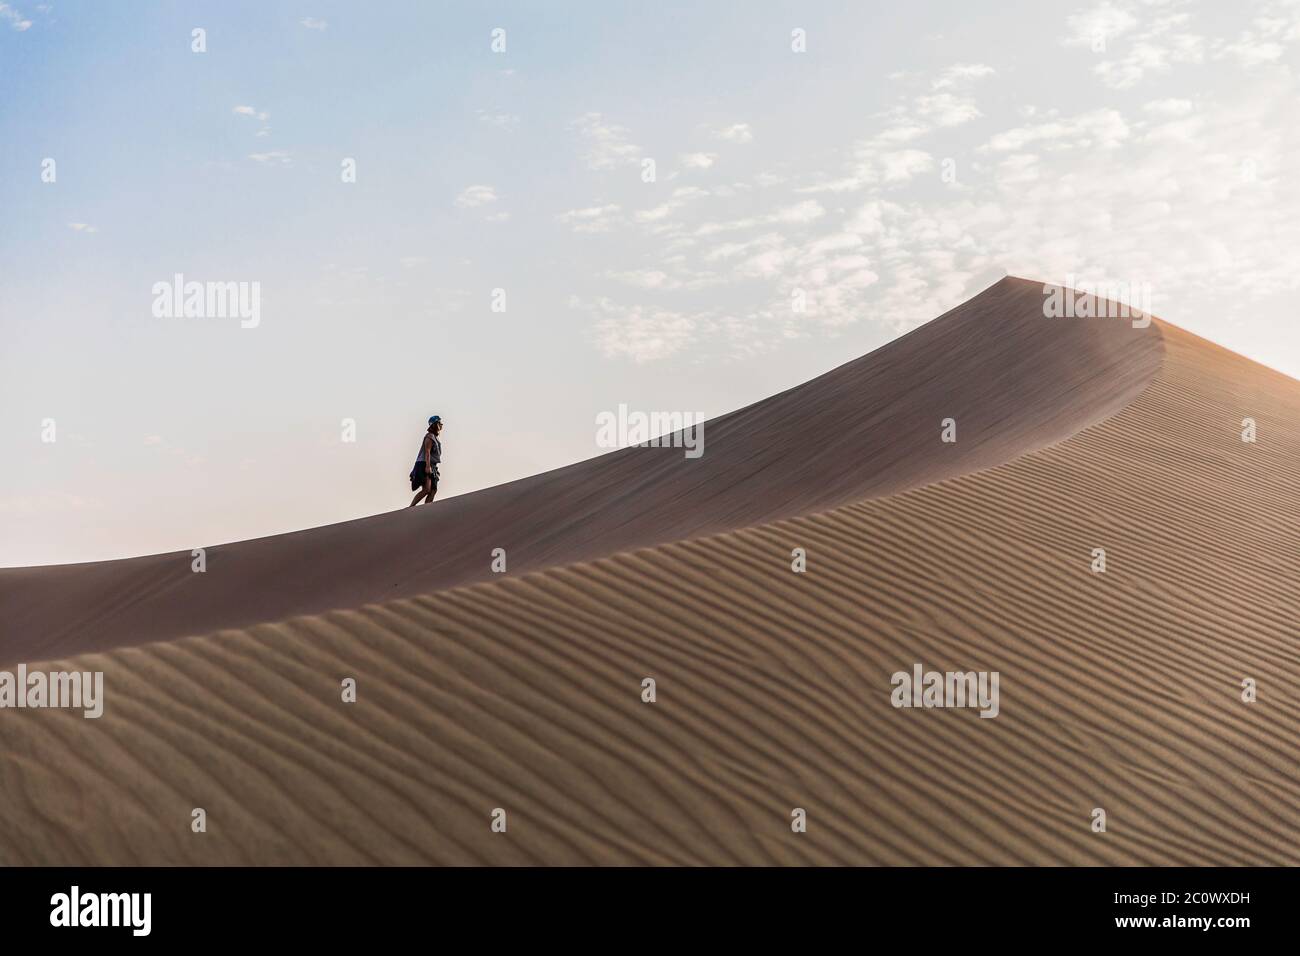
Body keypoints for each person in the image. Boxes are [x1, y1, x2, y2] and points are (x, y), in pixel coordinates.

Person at [409, 415, 443, 507]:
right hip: (424, 463)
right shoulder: (429, 437)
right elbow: (427, 452)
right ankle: (410, 507)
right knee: (426, 489)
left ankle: (427, 509)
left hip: (432, 465)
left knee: (433, 490)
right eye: (439, 423)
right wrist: (427, 467)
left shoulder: (435, 437)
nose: (441, 425)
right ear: (435, 425)